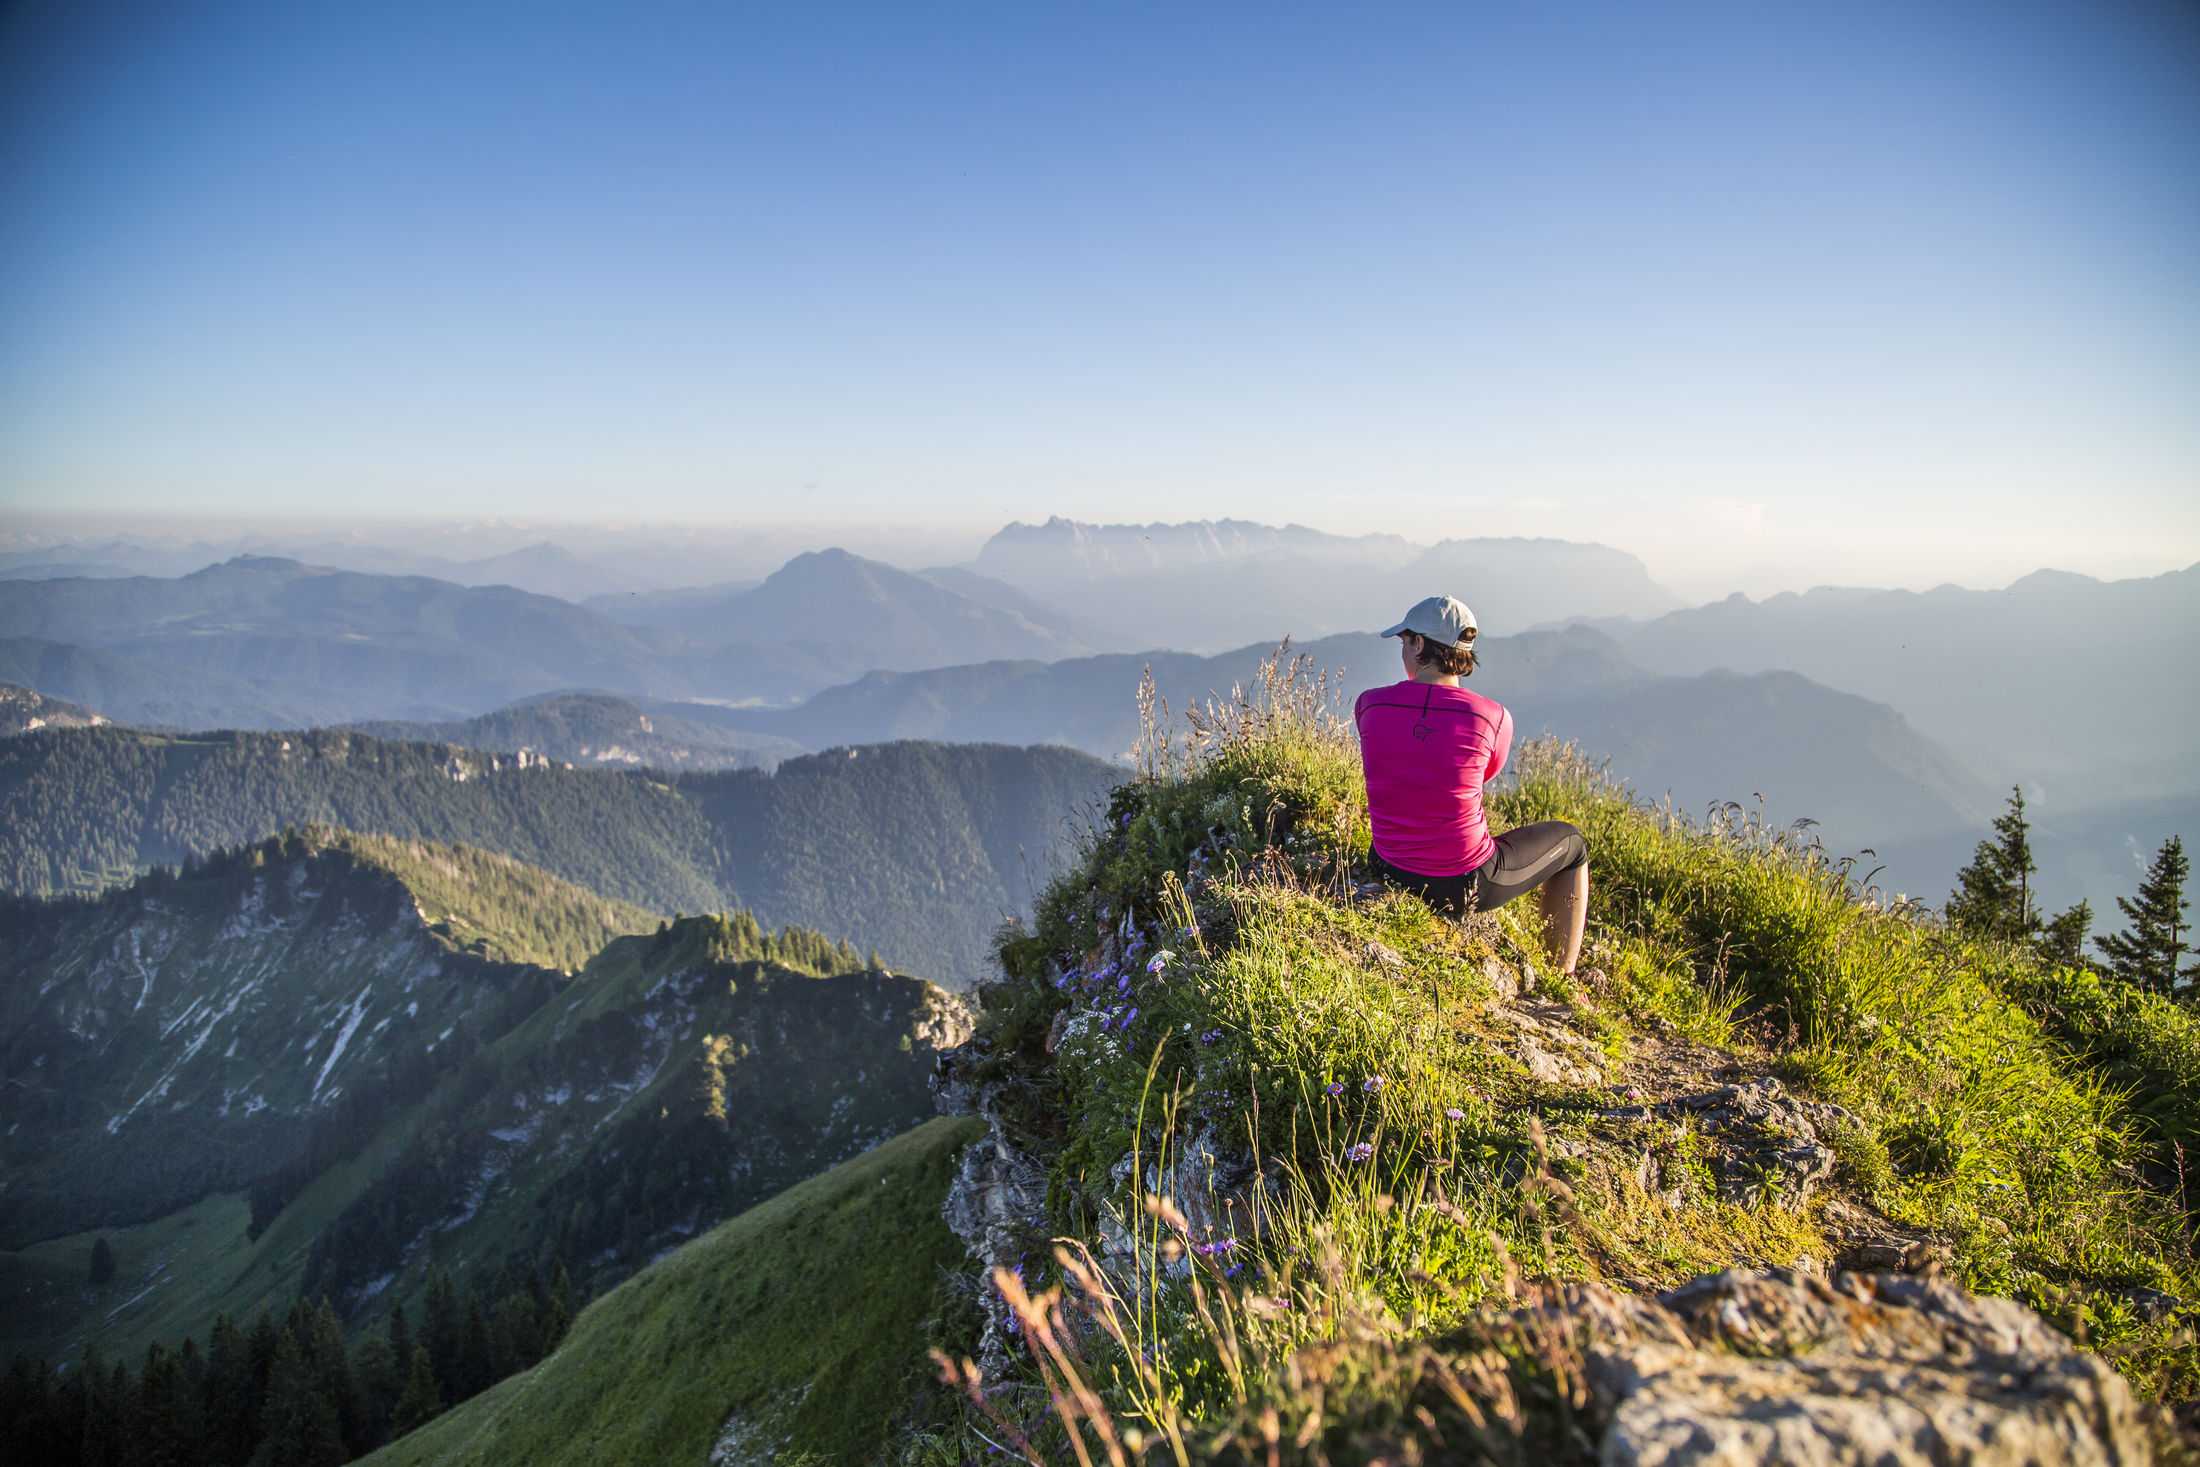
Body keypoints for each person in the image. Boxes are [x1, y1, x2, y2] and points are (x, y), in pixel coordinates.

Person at [1354, 594, 1589, 975]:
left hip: (1386, 866)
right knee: (1572, 843)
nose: (1403, 650)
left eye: (1404, 641)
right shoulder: (1493, 717)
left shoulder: (1370, 705)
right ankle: (1561, 975)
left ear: (1419, 644)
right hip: (1461, 883)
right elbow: (1480, 777)